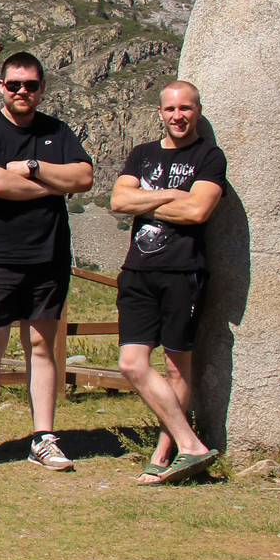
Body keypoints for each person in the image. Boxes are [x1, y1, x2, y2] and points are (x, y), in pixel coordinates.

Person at [0, 52, 94, 474]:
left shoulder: (57, 131)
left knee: (42, 347)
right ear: (1, 87)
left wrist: (30, 168)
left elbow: (83, 178)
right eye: (14, 85)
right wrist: (53, 185)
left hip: (48, 256)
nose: (22, 91)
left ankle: (43, 438)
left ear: (42, 87)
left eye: (30, 85)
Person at [109, 80, 226, 486]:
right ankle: (191, 444)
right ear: (159, 113)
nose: (178, 115)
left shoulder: (209, 156)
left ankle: (165, 452)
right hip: (138, 271)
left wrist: (149, 196)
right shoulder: (143, 154)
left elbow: (198, 212)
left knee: (178, 366)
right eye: (171, 109)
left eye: (186, 108)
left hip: (184, 272)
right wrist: (173, 193)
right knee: (131, 363)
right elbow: (119, 202)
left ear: (197, 111)